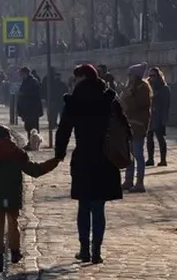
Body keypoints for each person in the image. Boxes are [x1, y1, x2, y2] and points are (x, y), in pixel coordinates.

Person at [54, 63, 128, 265]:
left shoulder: (74, 101)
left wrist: (58, 154)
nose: (74, 81)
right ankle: (97, 251)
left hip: (84, 158)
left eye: (76, 77)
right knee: (98, 207)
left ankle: (84, 249)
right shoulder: (109, 99)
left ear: (83, 78)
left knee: (84, 205)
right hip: (105, 159)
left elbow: (63, 131)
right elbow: (125, 128)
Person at [0, 124, 60, 272]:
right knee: (13, 222)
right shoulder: (16, 153)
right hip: (13, 194)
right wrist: (54, 162)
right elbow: (35, 170)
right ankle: (15, 252)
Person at [120, 64, 152, 192]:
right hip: (128, 124)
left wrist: (129, 97)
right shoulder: (131, 87)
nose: (129, 77)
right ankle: (128, 180)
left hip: (138, 125)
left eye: (131, 75)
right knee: (129, 154)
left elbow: (136, 105)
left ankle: (140, 182)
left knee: (138, 154)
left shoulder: (143, 88)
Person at [147, 67, 170, 167]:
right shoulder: (148, 87)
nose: (151, 78)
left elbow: (166, 105)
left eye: (153, 76)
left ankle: (163, 160)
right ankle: (150, 159)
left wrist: (164, 118)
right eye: (150, 75)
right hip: (149, 115)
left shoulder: (164, 88)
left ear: (158, 76)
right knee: (149, 138)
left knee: (160, 138)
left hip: (159, 116)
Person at [16, 67, 44, 138]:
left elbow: (34, 94)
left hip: (32, 109)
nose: (20, 76)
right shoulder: (26, 81)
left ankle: (33, 143)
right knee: (28, 126)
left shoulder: (33, 82)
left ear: (26, 73)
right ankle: (30, 142)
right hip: (27, 109)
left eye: (21, 74)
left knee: (33, 127)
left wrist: (23, 94)